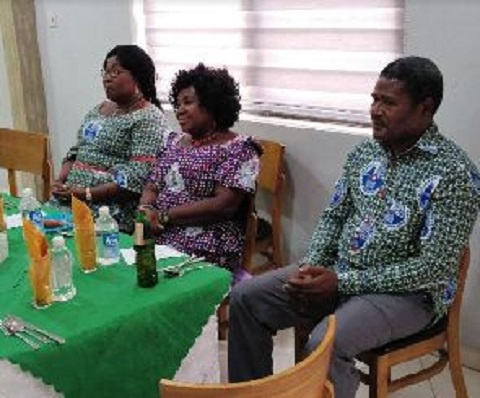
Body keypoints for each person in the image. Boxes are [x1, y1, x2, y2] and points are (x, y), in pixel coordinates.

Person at [228, 56, 480, 397]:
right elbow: (334, 216)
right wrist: (311, 265)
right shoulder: (364, 154)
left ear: (425, 107)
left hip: (408, 296)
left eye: (388, 102)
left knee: (325, 343)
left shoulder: (454, 173)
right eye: (374, 99)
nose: (375, 110)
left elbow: (433, 269)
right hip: (339, 272)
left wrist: (341, 281)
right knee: (246, 297)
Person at [139, 63, 261, 282]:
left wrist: (166, 216)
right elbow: (152, 184)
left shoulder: (238, 148)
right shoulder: (173, 141)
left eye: (188, 102)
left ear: (213, 104)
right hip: (159, 233)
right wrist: (146, 209)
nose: (179, 109)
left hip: (205, 243)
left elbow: (224, 205)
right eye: (177, 104)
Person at [51, 45, 170, 233]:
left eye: (116, 72)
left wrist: (85, 194)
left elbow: (136, 179)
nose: (107, 78)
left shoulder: (149, 118)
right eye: (105, 72)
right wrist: (60, 180)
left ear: (137, 76)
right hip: (69, 200)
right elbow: (77, 150)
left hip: (108, 212)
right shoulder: (99, 110)